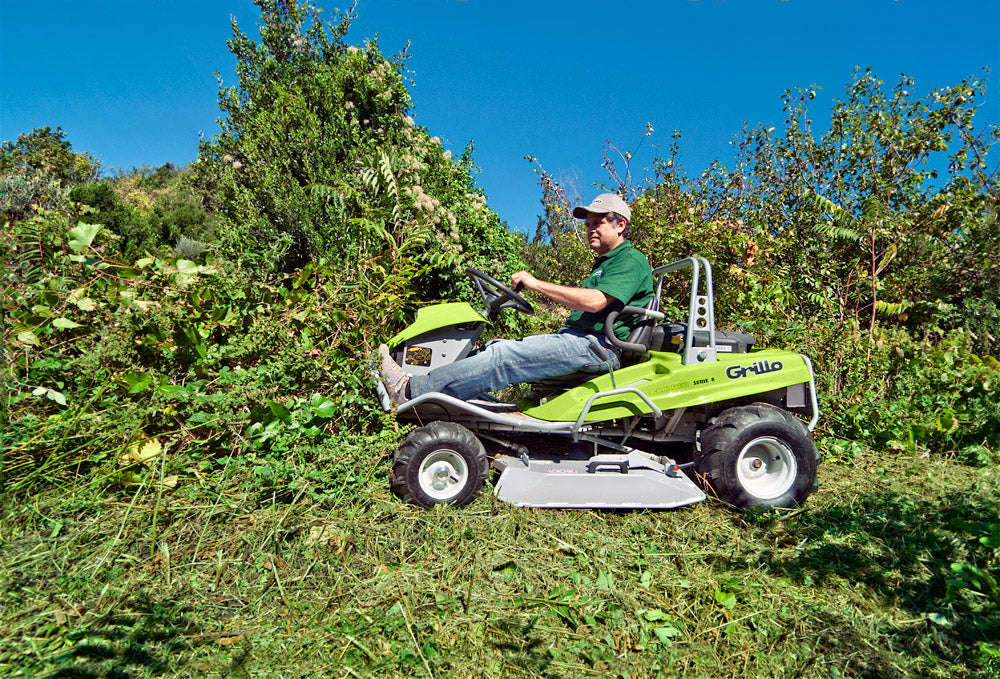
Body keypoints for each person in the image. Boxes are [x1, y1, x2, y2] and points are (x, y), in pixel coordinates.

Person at [379, 192, 653, 404]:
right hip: (581, 342)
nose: (590, 228)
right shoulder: (606, 262)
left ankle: (409, 391)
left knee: (504, 355)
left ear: (620, 225)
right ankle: (448, 403)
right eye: (588, 224)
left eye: (599, 223)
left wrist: (535, 284)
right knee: (492, 348)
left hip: (598, 348)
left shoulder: (630, 260)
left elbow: (594, 301)